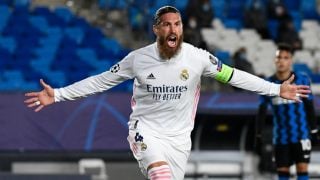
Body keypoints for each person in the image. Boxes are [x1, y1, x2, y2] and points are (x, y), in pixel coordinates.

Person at [25, 6, 310, 180]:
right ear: (156, 29)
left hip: (179, 141)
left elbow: (233, 75)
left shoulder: (198, 58)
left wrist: (276, 88)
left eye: (177, 24)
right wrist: (59, 94)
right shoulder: (137, 59)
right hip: (145, 131)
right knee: (160, 175)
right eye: (167, 24)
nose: (173, 29)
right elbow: (101, 81)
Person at [255, 43, 319, 180]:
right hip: (280, 137)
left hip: (301, 134)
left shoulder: (302, 80)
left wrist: (314, 130)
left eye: (285, 57)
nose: (281, 61)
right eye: (279, 57)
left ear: (291, 60)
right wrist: (258, 135)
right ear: (274, 60)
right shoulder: (269, 84)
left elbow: (309, 106)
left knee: (302, 170)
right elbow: (262, 110)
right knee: (282, 173)